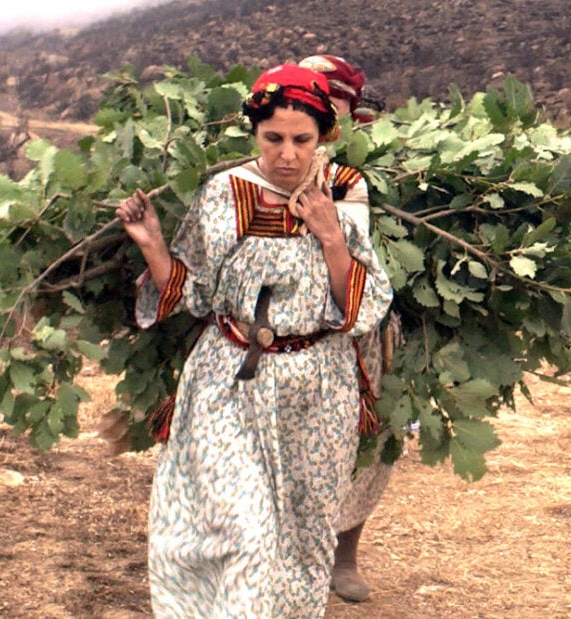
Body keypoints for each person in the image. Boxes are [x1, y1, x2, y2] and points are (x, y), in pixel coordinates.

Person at [115, 63, 393, 618]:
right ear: (255, 133)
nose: (287, 154)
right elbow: (193, 293)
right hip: (230, 379)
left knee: (301, 540)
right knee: (244, 531)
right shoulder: (226, 192)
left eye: (301, 140)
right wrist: (152, 246)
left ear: (325, 136)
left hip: (318, 387)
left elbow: (360, 306)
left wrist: (330, 232)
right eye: (273, 139)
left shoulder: (343, 190)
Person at [299, 54, 394, 604]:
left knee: (367, 442)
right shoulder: (271, 150)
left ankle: (345, 552)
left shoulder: (370, 167)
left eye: (332, 97)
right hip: (283, 330)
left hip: (360, 324)